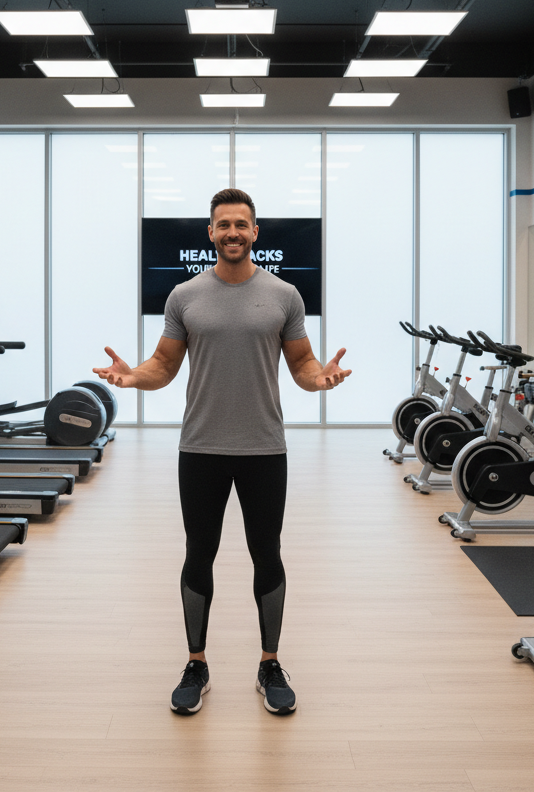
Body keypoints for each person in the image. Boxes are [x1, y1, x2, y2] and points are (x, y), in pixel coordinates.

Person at [94, 188, 350, 716]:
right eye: (223, 224)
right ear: (210, 232)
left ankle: (270, 664)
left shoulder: (285, 295)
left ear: (255, 232)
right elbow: (163, 365)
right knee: (199, 553)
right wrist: (132, 376)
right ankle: (196, 663)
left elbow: (302, 365)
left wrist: (319, 378)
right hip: (201, 447)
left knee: (267, 554)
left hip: (264, 449)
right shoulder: (184, 295)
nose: (233, 232)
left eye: (241, 224)